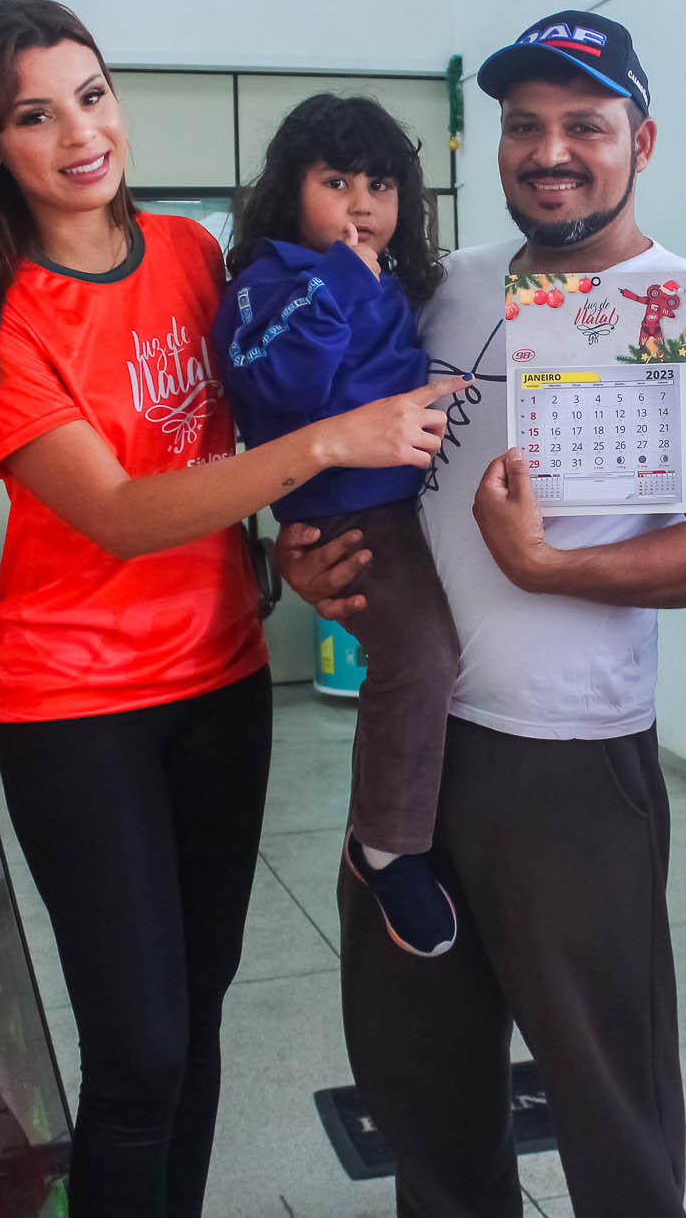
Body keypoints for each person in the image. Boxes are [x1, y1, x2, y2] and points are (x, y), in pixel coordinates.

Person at [0, 0, 462, 1217]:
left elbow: (234, 432)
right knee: (139, 1050)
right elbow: (117, 511)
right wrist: (334, 443)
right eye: (35, 116)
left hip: (219, 678)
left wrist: (289, 543)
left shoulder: (190, 255)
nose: (79, 135)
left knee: (199, 1012)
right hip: (77, 706)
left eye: (91, 96)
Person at [277, 9, 686, 1217]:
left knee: (607, 1092)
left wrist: (552, 569)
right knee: (420, 1084)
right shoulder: (441, 288)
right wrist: (306, 552)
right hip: (411, 747)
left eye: (583, 126)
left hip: (570, 760)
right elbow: (345, 447)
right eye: (522, 126)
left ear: (640, 141)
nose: (549, 152)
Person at [212, 93, 461, 958]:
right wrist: (341, 280)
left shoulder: (391, 279)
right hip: (349, 511)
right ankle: (386, 844)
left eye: (380, 185)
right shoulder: (271, 280)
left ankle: (403, 823)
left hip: (405, 502)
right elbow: (277, 383)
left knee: (431, 662)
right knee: (420, 658)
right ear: (292, 191)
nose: (362, 204)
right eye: (337, 182)